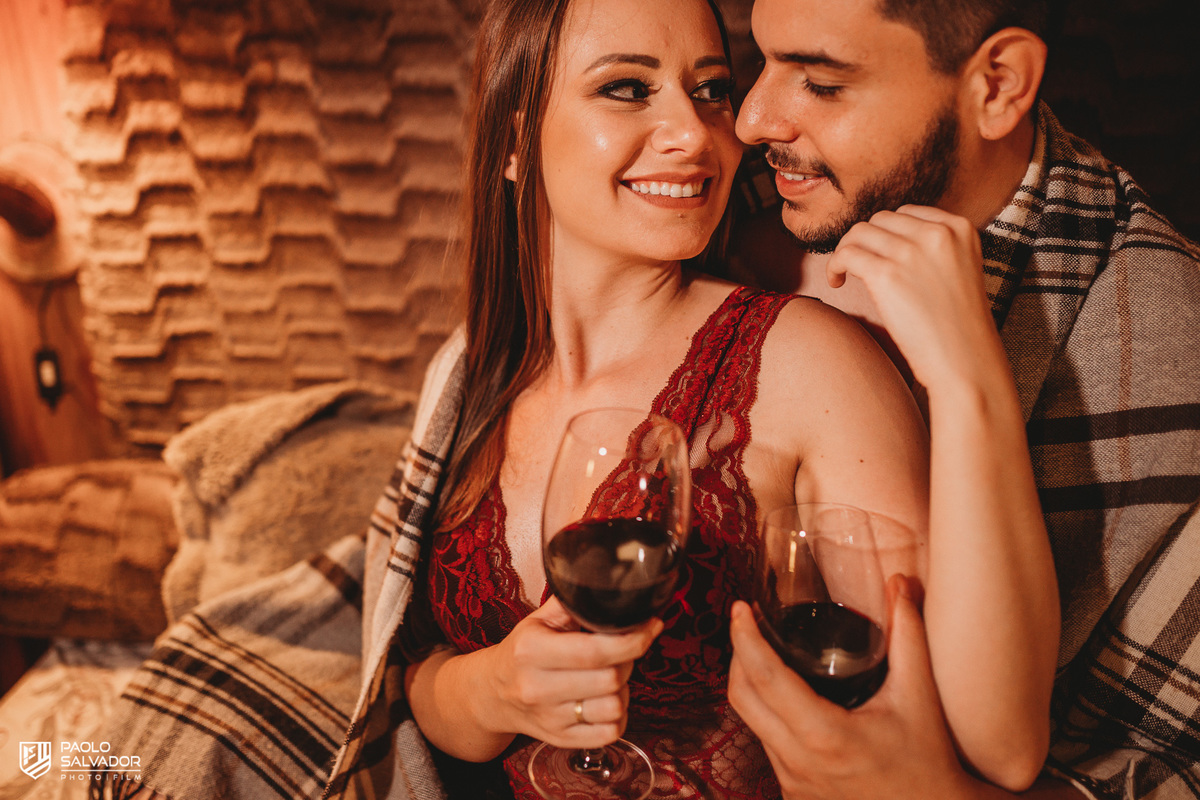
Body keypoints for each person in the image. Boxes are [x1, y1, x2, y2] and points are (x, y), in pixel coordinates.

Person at [726, 0, 1200, 798]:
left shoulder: (1169, 356)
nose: (750, 119)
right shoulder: (716, 204)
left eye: (821, 83)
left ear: (999, 84)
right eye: (761, 61)